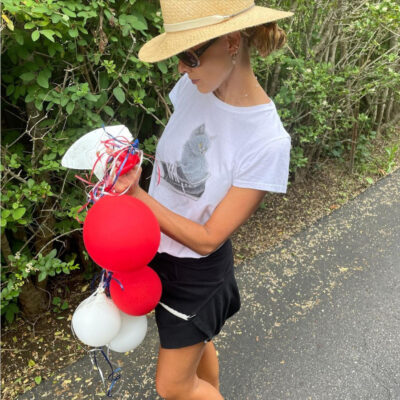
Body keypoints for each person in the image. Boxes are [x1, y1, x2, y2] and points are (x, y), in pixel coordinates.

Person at [112, 1, 294, 399]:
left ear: (231, 42)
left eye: (190, 56)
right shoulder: (194, 87)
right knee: (196, 347)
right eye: (180, 56)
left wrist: (137, 195)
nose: (181, 68)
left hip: (196, 274)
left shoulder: (267, 141)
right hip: (153, 249)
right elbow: (175, 170)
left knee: (172, 385)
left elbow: (210, 237)